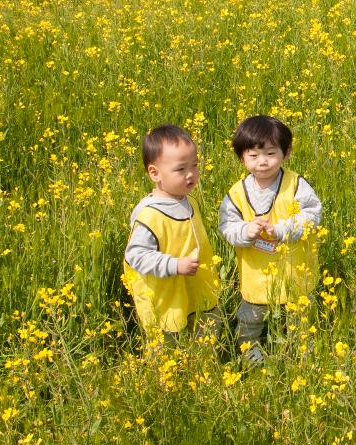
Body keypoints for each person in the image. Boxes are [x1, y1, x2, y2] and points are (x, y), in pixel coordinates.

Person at [220, 115, 323, 365]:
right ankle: (250, 353)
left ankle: (303, 355)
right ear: (242, 157)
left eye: (270, 153)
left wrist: (282, 229)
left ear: (286, 153)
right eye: (253, 156)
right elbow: (226, 226)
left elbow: (312, 216)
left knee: (300, 316)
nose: (262, 162)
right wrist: (246, 231)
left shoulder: (296, 185)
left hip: (294, 271)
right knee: (250, 317)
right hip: (257, 275)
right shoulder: (236, 193)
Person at [122, 124, 221, 340]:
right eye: (180, 169)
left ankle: (203, 369)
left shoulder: (189, 201)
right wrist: (174, 265)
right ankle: (168, 373)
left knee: (205, 332)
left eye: (194, 165)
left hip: (195, 288)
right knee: (167, 343)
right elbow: (136, 256)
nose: (191, 174)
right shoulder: (150, 215)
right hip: (165, 297)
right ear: (155, 173)